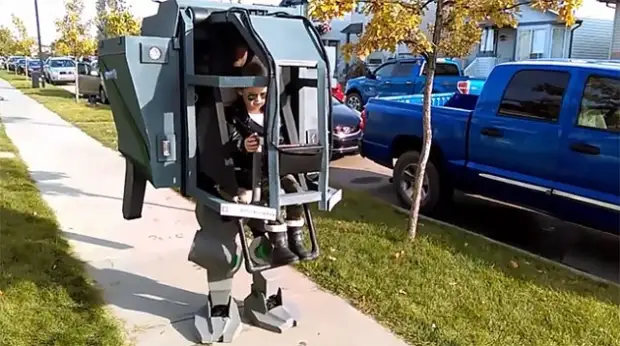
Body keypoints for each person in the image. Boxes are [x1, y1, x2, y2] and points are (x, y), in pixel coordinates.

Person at [224, 60, 311, 266]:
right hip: (251, 169)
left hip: (275, 166)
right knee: (274, 193)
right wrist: (244, 145)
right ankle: (278, 242)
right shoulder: (235, 116)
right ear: (240, 92)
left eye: (263, 95)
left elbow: (281, 137)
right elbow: (230, 141)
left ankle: (295, 238)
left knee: (294, 190)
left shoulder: (273, 114)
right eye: (252, 97)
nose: (258, 101)